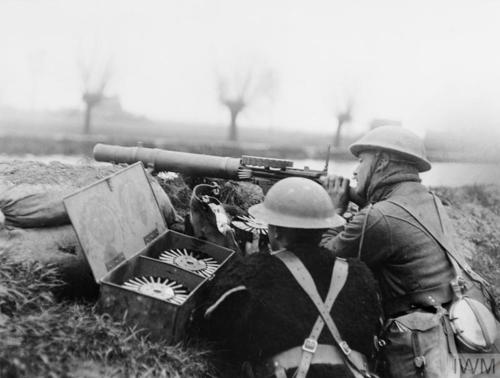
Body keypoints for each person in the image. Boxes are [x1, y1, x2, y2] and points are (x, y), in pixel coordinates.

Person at [201, 177, 382, 378]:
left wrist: (248, 264)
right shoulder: (361, 274)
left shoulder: (254, 271)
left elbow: (209, 328)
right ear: (323, 228)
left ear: (276, 231)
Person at [321, 126, 459, 378]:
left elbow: (322, 259)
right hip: (449, 329)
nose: (355, 170)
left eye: (362, 161)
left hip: (419, 349)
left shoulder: (379, 217)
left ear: (382, 162)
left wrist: (333, 213)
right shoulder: (431, 201)